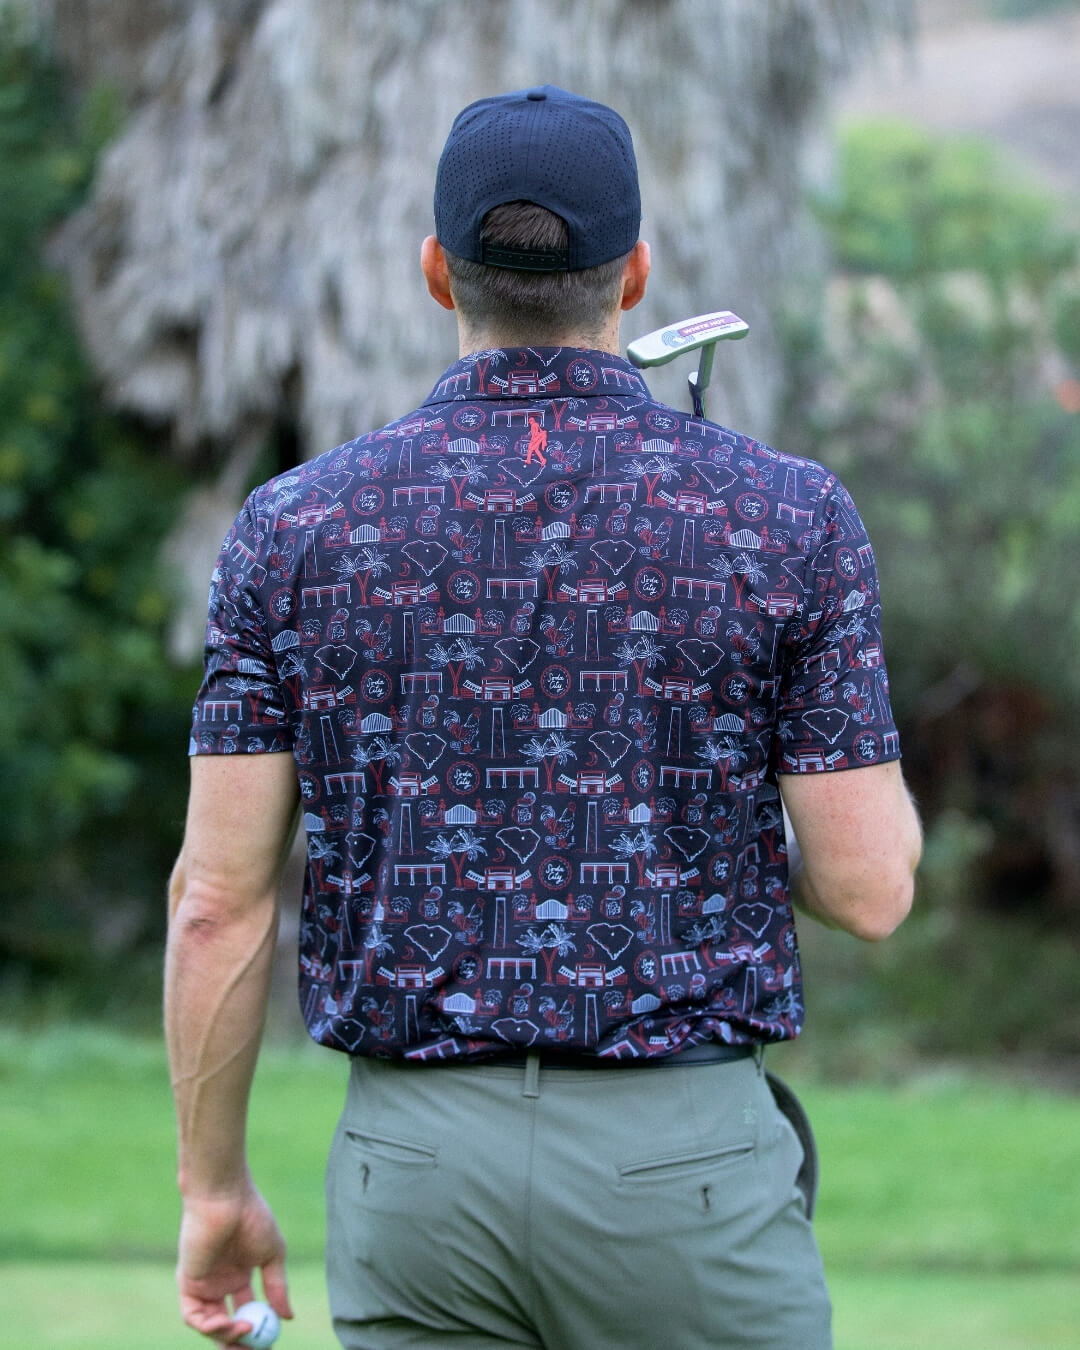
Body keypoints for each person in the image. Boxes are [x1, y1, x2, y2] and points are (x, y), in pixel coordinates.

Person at [166, 85, 922, 1350]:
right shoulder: (788, 516)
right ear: (633, 275)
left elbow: (215, 902)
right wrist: (705, 814)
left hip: (412, 1174)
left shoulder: (294, 526)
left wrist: (212, 1188)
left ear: (433, 271)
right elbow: (870, 889)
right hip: (681, 1172)